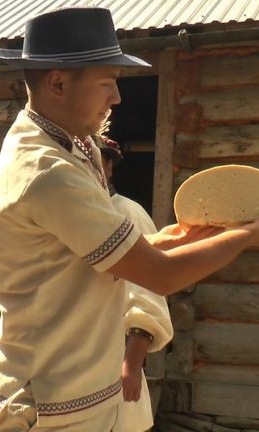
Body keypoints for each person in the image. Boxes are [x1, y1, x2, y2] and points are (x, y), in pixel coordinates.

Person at [0, 7, 259, 431]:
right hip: (50, 403)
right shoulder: (47, 172)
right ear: (57, 83)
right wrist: (247, 234)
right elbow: (160, 277)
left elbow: (105, 258)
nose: (117, 98)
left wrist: (181, 238)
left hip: (72, 392)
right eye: (107, 83)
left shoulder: (68, 147)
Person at [96, 135, 172, 432]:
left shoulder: (127, 214)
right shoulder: (73, 215)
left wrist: (131, 365)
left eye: (97, 160)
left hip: (115, 360)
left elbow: (147, 291)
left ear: (109, 167)